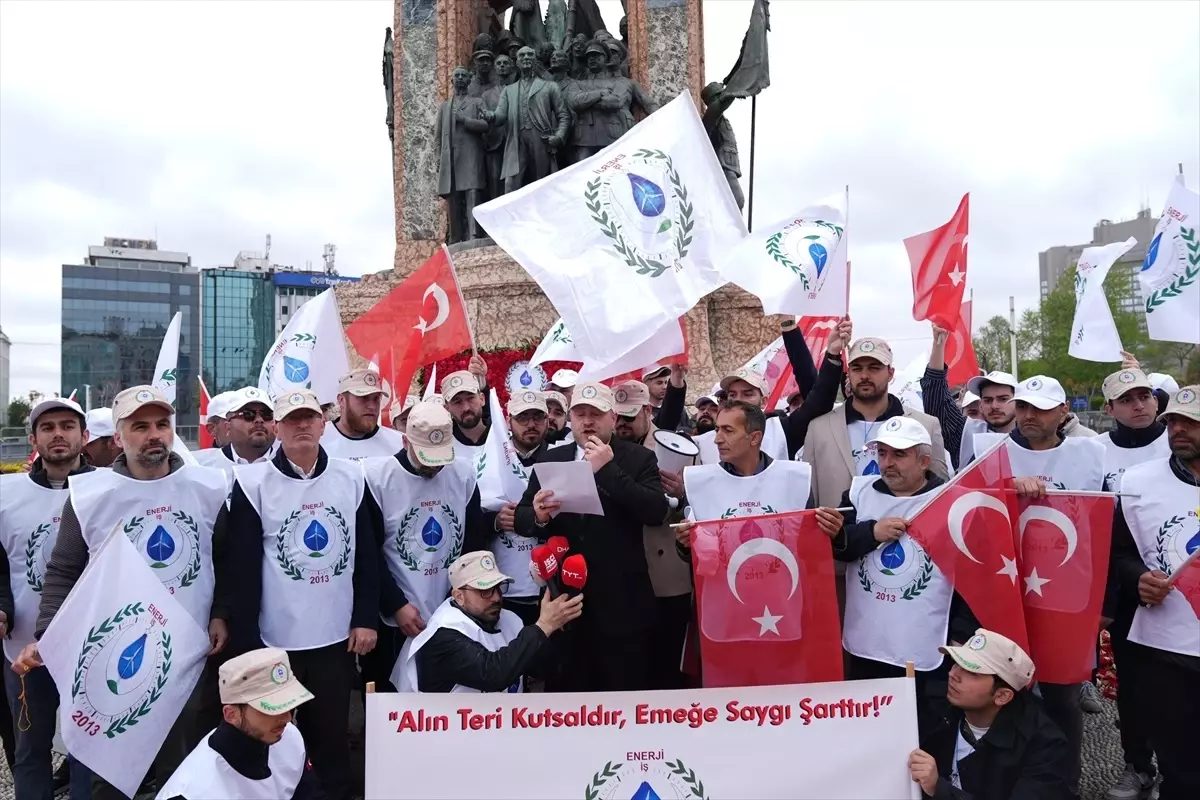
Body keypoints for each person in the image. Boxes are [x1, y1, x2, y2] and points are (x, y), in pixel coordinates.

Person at [16, 385, 230, 799]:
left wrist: (221, 612)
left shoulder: (208, 487)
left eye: (162, 424)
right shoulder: (89, 495)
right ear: (118, 436)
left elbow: (225, 558)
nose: (154, 435)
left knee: (182, 770)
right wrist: (48, 636)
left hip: (187, 654)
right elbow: (63, 570)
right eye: (140, 426)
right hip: (112, 656)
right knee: (110, 774)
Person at [227, 389, 380, 800]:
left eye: (309, 418)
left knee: (331, 738)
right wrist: (248, 643)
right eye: (291, 419)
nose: (301, 426)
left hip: (335, 638)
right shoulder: (253, 483)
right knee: (278, 741)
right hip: (277, 641)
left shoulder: (351, 477)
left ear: (323, 424)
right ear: (277, 427)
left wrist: (365, 617)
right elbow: (241, 570)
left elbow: (367, 554)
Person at [969, 374, 1107, 799]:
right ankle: (1007, 781)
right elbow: (968, 510)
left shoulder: (1089, 454)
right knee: (1008, 689)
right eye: (1024, 407)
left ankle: (1066, 783)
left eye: (1040, 409)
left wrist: (1103, 602)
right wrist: (1006, 488)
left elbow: (1103, 525)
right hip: (1008, 589)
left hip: (1066, 592)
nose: (1029, 416)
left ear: (1063, 412)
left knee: (1063, 694)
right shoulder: (991, 451)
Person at [515, 382, 668, 691]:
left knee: (623, 695)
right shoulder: (551, 459)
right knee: (568, 698)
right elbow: (522, 518)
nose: (587, 422)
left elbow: (655, 511)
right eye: (580, 414)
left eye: (596, 414)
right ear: (570, 418)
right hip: (565, 605)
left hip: (623, 605)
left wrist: (608, 470)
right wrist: (538, 516)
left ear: (613, 417)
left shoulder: (639, 458)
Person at [818, 417, 954, 735]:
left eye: (899, 454)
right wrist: (871, 533)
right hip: (868, 641)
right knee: (870, 730)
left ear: (924, 461)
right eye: (882, 453)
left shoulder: (948, 499)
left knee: (921, 731)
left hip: (924, 642)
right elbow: (839, 546)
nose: (887, 463)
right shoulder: (859, 492)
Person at [1109, 385, 1200, 800]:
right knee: (1179, 763)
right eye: (1173, 421)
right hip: (1166, 648)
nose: (1178, 430)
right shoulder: (1137, 482)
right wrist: (1138, 577)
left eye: (1191, 422)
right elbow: (1118, 552)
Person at [0, 398, 93, 799]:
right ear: (33, 438)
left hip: (91, 648)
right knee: (30, 750)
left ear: (84, 436)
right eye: (48, 427)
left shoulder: (109, 489)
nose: (58, 434)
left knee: (89, 752)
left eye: (68, 426)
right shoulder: (5, 495)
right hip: (24, 650)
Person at [362, 402, 485, 691]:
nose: (435, 466)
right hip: (396, 616)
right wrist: (396, 605)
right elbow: (369, 554)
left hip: (452, 610)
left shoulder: (463, 474)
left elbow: (473, 543)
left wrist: (462, 600)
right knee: (392, 698)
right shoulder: (378, 479)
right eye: (427, 456)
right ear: (406, 441)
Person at [1095, 368, 1172, 799]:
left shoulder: (1177, 441)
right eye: (1127, 399)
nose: (1138, 405)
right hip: (1124, 581)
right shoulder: (1096, 451)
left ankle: (1178, 767)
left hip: (1177, 582)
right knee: (1134, 681)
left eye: (1144, 396)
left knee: (1179, 681)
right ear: (1110, 408)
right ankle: (1138, 765)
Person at [909, 629, 1069, 800]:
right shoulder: (937, 707)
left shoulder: (1045, 746)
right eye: (956, 663)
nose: (953, 674)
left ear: (1002, 696)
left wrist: (939, 789)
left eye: (972, 672)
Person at [398, 551, 582, 692]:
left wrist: (557, 626)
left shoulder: (509, 619)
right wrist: (543, 626)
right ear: (459, 596)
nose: (496, 597)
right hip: (450, 726)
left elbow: (542, 668)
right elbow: (493, 674)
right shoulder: (443, 634)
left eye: (498, 587)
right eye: (485, 591)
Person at [156, 648, 323, 799]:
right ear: (231, 714)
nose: (286, 718)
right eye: (271, 708)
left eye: (288, 704)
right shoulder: (193, 792)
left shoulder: (289, 736)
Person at [806, 336, 948, 510]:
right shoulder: (819, 429)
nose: (864, 376)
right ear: (848, 373)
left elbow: (941, 494)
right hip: (840, 527)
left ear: (890, 373)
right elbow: (809, 500)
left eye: (874, 368)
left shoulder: (926, 425)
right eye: (857, 368)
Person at [612, 381, 691, 689]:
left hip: (667, 576)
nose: (622, 424)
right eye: (617, 416)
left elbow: (699, 509)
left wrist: (682, 495)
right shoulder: (606, 450)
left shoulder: (676, 448)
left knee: (669, 663)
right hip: (624, 575)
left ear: (647, 411)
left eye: (629, 417)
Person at [483, 391, 551, 626]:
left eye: (538, 417)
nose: (531, 424)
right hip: (504, 586)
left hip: (550, 586)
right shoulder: (487, 460)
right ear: (509, 421)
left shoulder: (562, 457)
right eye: (523, 417)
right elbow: (467, 521)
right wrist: (494, 521)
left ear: (548, 420)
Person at [487, 46, 570, 193]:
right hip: (516, 139)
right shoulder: (509, 90)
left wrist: (559, 136)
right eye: (522, 55)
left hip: (541, 140)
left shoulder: (550, 86)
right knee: (511, 183)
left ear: (535, 60)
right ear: (517, 63)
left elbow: (563, 115)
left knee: (542, 182)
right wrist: (491, 116)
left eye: (530, 54)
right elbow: (500, 115)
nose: (526, 57)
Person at [438, 65, 489, 243]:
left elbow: (485, 125)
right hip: (451, 157)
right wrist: (439, 160)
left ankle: (474, 233)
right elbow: (438, 136)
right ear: (452, 80)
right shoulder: (445, 107)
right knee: (453, 198)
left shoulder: (477, 102)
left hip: (471, 154)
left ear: (468, 80)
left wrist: (465, 120)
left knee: (472, 192)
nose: (460, 78)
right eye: (457, 75)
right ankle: (456, 236)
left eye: (463, 76)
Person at [320, 369, 404, 461]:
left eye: (376, 398)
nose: (372, 406)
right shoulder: (318, 441)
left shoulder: (399, 443)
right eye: (363, 398)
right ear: (341, 400)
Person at [193, 386, 276, 475]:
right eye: (248, 414)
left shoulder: (287, 464)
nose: (259, 420)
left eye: (267, 414)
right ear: (228, 426)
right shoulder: (199, 466)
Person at [442, 359, 491, 464]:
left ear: (482, 399)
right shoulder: (441, 448)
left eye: (470, 398)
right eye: (457, 402)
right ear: (447, 408)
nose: (466, 408)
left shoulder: (503, 437)